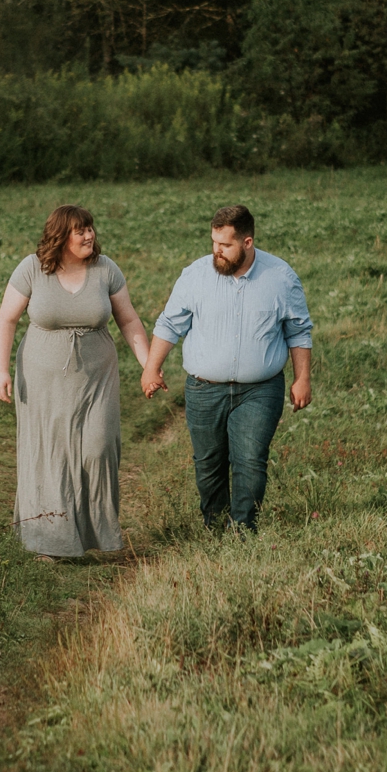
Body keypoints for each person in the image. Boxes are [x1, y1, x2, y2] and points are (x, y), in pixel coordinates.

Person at [0, 204, 155, 560]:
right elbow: (6, 320)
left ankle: (94, 533)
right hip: (41, 377)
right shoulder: (33, 269)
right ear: (60, 236)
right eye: (80, 230)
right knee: (52, 456)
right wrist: (1, 370)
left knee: (98, 447)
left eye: (90, 228)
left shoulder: (105, 269)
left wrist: (148, 365)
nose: (89, 235)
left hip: (97, 375)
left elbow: (128, 320)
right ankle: (49, 541)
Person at [141, 204, 313, 536]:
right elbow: (170, 324)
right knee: (209, 464)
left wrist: (302, 378)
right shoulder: (195, 275)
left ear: (247, 242)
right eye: (214, 243)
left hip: (260, 389)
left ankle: (242, 530)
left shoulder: (280, 277)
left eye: (225, 245)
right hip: (204, 389)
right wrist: (152, 368)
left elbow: (298, 330)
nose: (216, 252)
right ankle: (215, 525)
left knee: (250, 460)